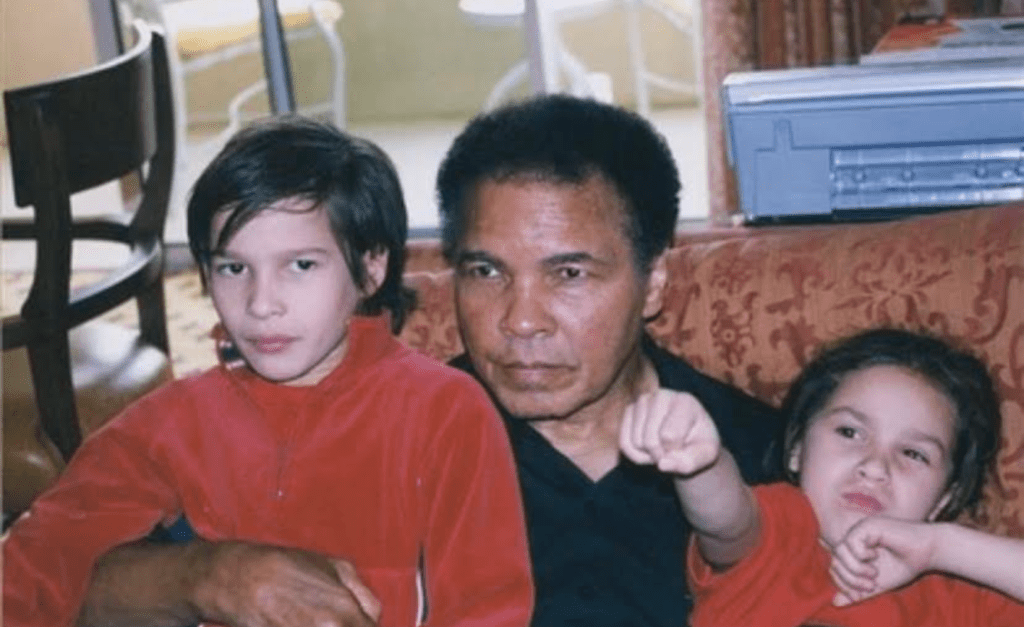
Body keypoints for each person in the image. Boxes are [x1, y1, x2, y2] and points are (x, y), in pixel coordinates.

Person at [3, 116, 534, 627]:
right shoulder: (176, 421)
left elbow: (487, 609)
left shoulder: (445, 413)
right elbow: (43, 554)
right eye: (234, 268)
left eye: (300, 265)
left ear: (371, 268)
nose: (261, 304)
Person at [435, 94, 784, 627]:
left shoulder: (756, 456)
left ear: (654, 283)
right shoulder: (404, 437)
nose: (521, 320)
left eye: (569, 274)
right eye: (486, 272)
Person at [621, 326, 1024, 626]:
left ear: (945, 499)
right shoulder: (782, 531)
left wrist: (943, 548)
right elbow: (726, 520)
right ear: (796, 449)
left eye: (913, 454)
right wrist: (702, 463)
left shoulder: (958, 592)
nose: (874, 466)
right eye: (849, 432)